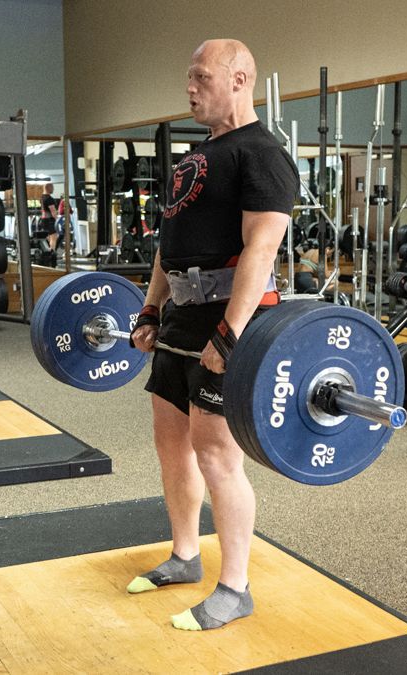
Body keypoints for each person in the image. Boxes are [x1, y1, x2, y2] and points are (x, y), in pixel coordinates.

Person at [126, 38, 298, 632]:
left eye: (201, 76)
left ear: (240, 78)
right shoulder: (196, 155)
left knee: (218, 455)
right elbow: (166, 247)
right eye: (189, 76)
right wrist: (151, 309)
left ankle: (235, 586)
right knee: (171, 443)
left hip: (227, 320)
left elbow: (261, 249)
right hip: (180, 320)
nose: (190, 87)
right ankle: (185, 556)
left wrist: (230, 334)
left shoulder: (262, 154)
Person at [39, 183, 60, 250]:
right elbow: (53, 212)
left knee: (49, 237)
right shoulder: (49, 199)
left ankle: (48, 252)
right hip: (50, 220)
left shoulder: (42, 197)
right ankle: (51, 254)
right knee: (53, 237)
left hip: (43, 220)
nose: (53, 189)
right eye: (52, 188)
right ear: (49, 188)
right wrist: (58, 220)